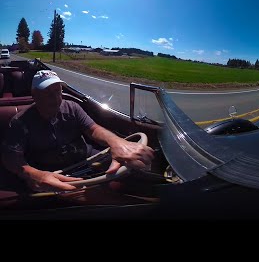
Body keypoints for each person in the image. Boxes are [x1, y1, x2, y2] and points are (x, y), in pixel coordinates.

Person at [1, 70, 155, 192]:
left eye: (58, 91)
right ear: (34, 95)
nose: (55, 99)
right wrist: (33, 174)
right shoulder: (20, 122)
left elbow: (93, 129)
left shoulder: (72, 107)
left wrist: (117, 142)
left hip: (87, 158)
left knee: (139, 166)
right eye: (48, 93)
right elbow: (11, 158)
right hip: (56, 173)